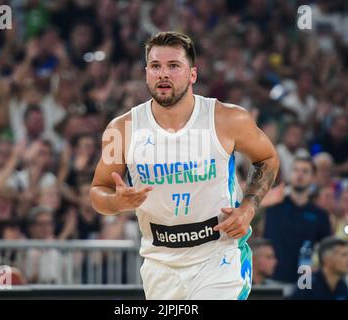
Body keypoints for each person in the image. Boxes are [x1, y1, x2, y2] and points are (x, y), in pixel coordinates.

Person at [90, 31, 279, 300]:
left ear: (192, 74)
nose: (163, 74)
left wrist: (248, 208)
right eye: (155, 66)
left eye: (174, 66)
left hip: (219, 257)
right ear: (146, 73)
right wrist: (115, 203)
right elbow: (98, 190)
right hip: (160, 263)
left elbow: (268, 158)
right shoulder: (120, 129)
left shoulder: (228, 118)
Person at [264, 157, 332, 284]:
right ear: (290, 174)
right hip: (273, 278)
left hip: (304, 281)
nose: (299, 174)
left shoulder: (320, 215)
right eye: (296, 170)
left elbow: (327, 249)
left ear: (313, 178)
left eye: (305, 171)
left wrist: (319, 266)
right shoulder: (273, 206)